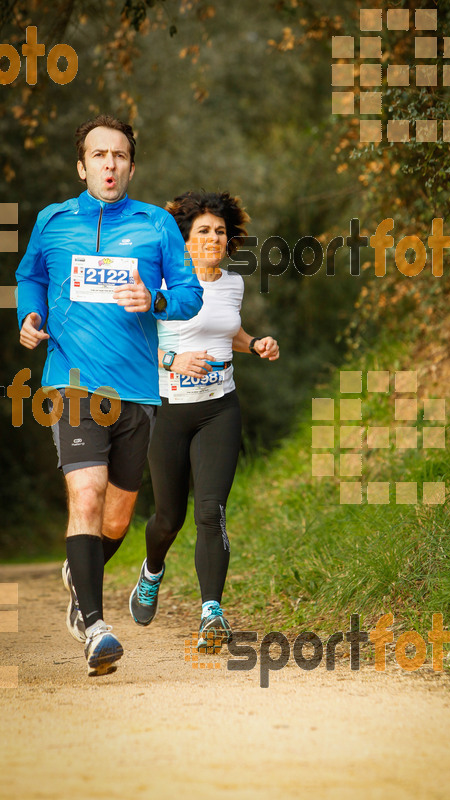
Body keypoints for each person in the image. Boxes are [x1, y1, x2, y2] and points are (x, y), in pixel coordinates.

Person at [16, 115, 203, 676]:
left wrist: (159, 302)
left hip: (139, 389)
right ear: (82, 166)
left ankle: (83, 573)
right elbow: (31, 277)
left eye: (119, 156)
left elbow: (191, 294)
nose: (109, 165)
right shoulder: (52, 222)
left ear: (131, 165)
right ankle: (94, 625)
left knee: (117, 521)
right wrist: (30, 315)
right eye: (98, 156)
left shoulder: (158, 225)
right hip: (73, 382)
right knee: (87, 496)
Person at [129, 191, 279, 651]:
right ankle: (152, 571)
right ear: (184, 239)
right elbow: (131, 348)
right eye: (203, 231)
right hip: (170, 412)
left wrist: (254, 344)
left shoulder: (232, 284)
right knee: (169, 519)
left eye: (220, 231)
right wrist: (174, 358)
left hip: (220, 408)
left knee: (210, 511)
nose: (213, 238)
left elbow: (228, 331)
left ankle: (211, 613)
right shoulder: (160, 286)